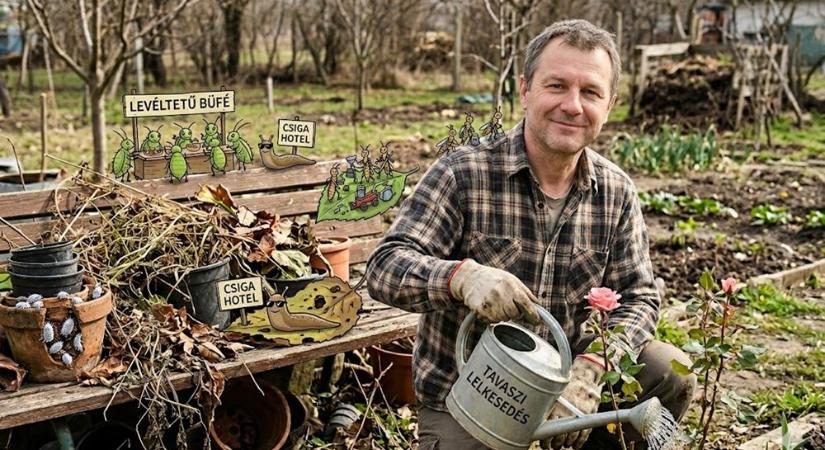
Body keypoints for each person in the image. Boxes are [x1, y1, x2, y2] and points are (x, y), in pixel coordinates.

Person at [365, 19, 696, 450]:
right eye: (556, 86)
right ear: (525, 90)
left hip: (570, 388)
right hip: (474, 396)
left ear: (609, 104)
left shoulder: (615, 192)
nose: (573, 106)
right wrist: (461, 278)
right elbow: (385, 266)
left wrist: (594, 366)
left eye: (590, 92)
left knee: (667, 368)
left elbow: (639, 296)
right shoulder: (464, 173)